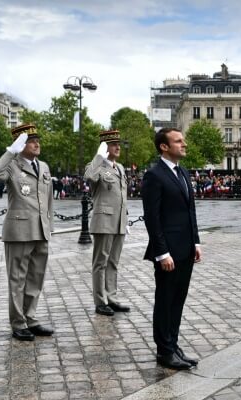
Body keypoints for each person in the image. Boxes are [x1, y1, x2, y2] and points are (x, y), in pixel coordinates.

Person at [142, 128, 202, 370]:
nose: (184, 144)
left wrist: (196, 242)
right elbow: (152, 218)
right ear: (164, 147)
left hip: (186, 248)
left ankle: (173, 344)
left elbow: (190, 210)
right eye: (178, 141)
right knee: (165, 300)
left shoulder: (182, 172)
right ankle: (164, 351)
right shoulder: (154, 175)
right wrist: (162, 252)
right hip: (168, 253)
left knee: (178, 300)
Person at [0, 124, 54, 341]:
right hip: (18, 231)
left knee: (36, 277)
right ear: (21, 144)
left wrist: (49, 226)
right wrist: (11, 151)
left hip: (40, 230)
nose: (37, 144)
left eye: (38, 140)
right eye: (31, 141)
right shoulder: (12, 165)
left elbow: (49, 200)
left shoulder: (43, 166)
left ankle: (30, 318)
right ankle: (18, 323)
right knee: (17, 279)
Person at [84, 130, 130, 317]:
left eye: (118, 144)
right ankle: (100, 301)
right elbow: (89, 176)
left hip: (118, 221)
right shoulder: (96, 166)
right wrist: (98, 156)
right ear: (105, 147)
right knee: (100, 262)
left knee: (113, 262)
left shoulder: (119, 168)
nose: (118, 147)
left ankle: (111, 297)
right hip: (104, 221)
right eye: (113, 144)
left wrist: (125, 219)